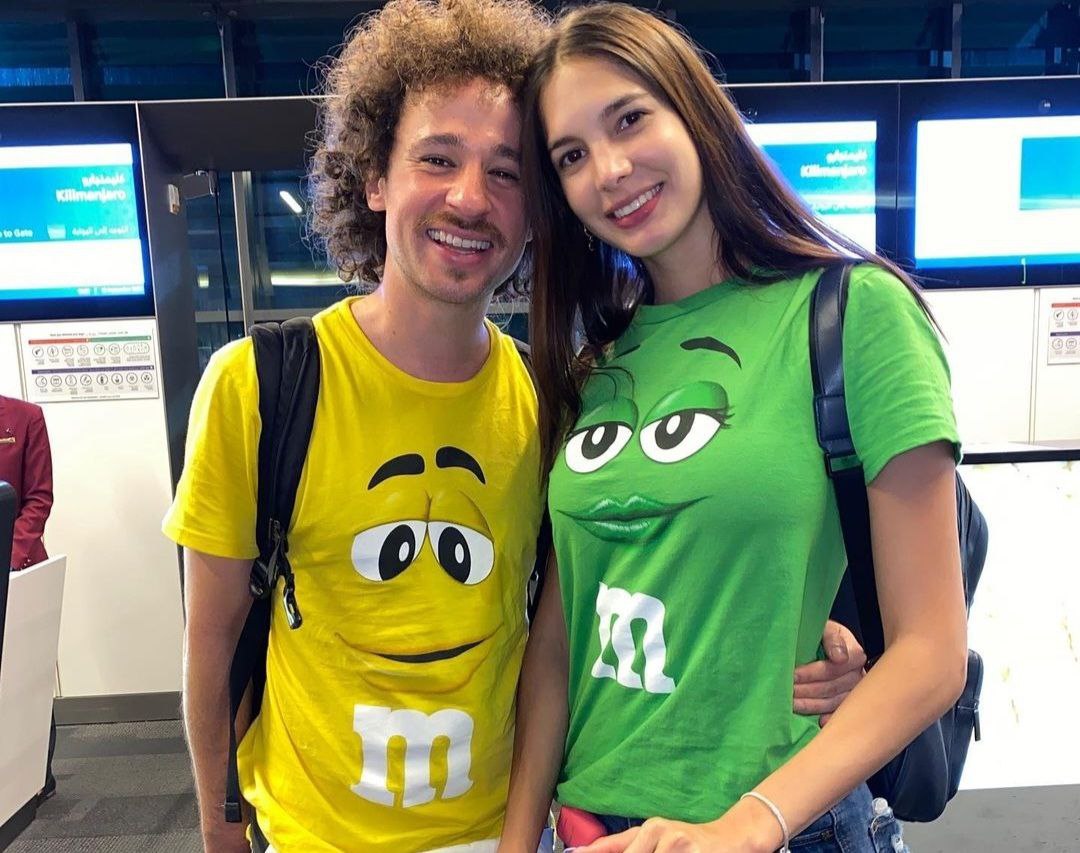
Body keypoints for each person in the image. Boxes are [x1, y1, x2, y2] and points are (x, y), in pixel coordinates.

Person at [164, 2, 865, 851]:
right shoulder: (261, 387)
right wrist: (220, 834)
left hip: (510, 828)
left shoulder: (554, 397)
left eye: (506, 173)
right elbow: (214, 647)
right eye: (437, 158)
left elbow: (613, 589)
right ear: (375, 179)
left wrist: (808, 630)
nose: (470, 198)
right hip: (312, 833)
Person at [499, 4, 968, 853]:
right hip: (588, 830)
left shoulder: (855, 312)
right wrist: (517, 837)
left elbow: (932, 650)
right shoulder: (598, 366)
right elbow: (561, 643)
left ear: (694, 111)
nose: (610, 170)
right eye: (572, 155)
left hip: (781, 827)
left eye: (629, 119)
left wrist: (745, 826)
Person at [0, 392, 56, 800]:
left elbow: (38, 498)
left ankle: (38, 775)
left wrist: (9, 557)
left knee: (26, 674)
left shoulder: (24, 417)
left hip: (18, 567)